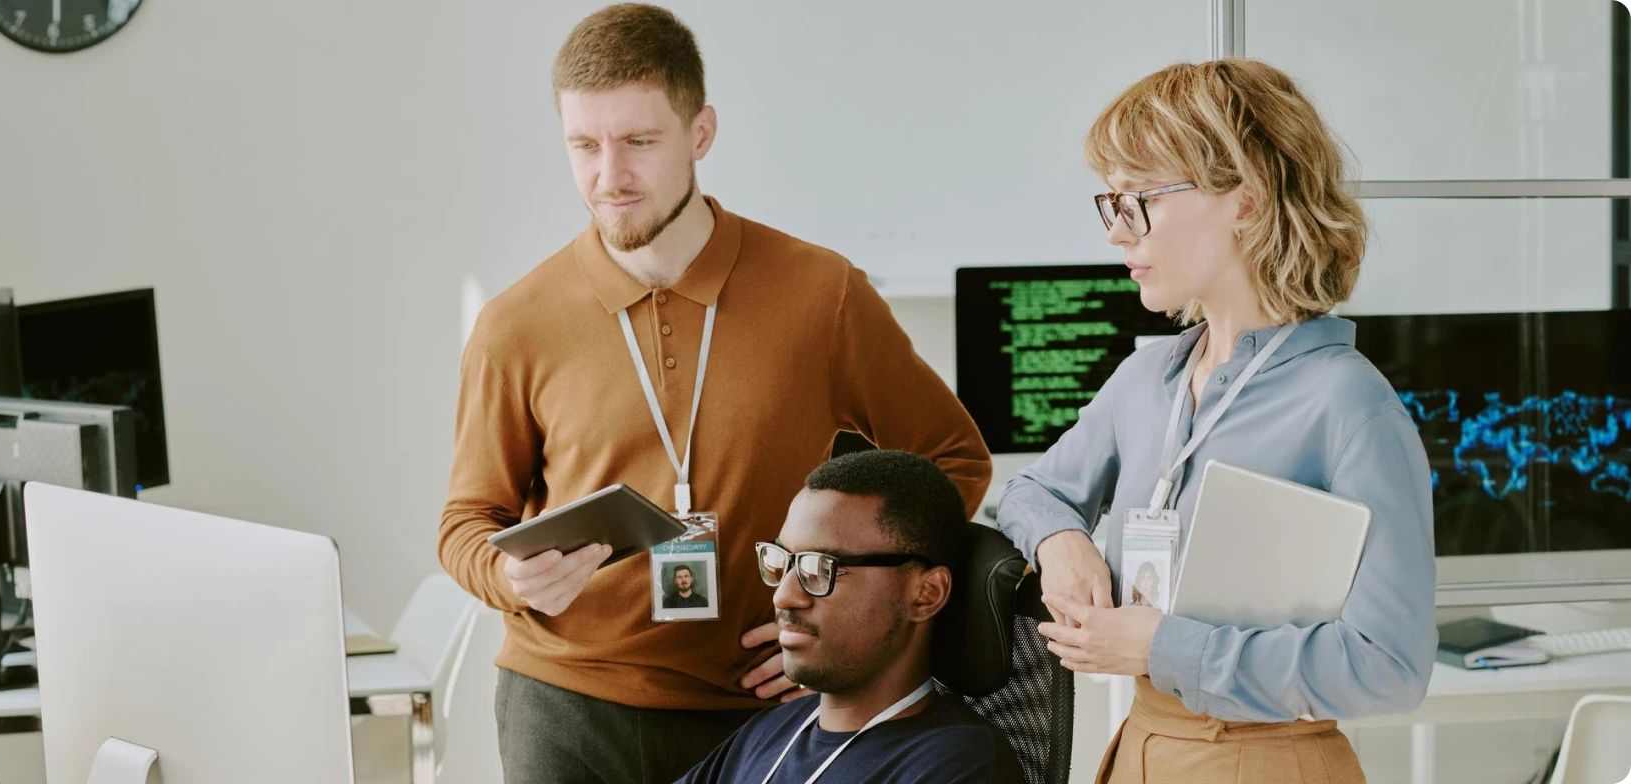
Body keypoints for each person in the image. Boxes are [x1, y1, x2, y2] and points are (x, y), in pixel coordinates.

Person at [438, 5, 992, 782]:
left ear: (700, 134)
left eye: (638, 141)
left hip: (759, 710)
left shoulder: (820, 293)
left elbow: (952, 459)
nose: (609, 176)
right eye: (584, 146)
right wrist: (507, 576)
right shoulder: (514, 324)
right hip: (564, 701)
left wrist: (844, 623)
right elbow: (466, 522)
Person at [997, 59, 1437, 783]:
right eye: (1111, 202)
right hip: (1138, 749)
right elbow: (1031, 491)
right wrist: (1061, 539)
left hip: (1267, 761)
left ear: (1247, 202)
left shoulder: (1349, 405)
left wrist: (1163, 648)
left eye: (1139, 199)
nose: (1117, 232)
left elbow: (1389, 667)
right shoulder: (1147, 380)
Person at [678, 450, 1022, 784]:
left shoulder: (956, 765)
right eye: (781, 561)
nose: (783, 595)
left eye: (821, 568)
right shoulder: (771, 729)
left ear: (926, 594)